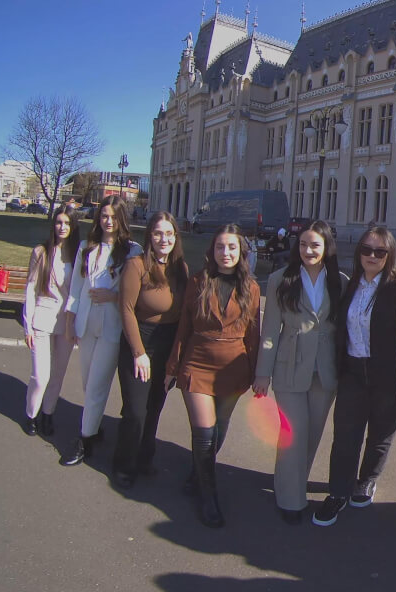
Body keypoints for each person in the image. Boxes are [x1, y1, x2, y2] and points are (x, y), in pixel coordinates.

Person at [165, 225, 261, 527]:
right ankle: (209, 497)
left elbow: (253, 335)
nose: (226, 253)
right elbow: (184, 327)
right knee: (204, 433)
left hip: (234, 368)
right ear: (212, 251)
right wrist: (173, 367)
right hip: (198, 363)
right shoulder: (198, 281)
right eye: (220, 247)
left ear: (241, 252)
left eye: (232, 247)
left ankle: (198, 472)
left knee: (219, 428)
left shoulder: (252, 287)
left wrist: (258, 374)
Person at [315, 227, 396, 527]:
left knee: (380, 434)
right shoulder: (349, 284)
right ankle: (337, 493)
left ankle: (367, 479)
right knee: (345, 435)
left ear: (390, 255)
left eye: (379, 252)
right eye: (366, 249)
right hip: (353, 371)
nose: (371, 256)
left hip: (387, 374)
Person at [254, 220, 344, 524]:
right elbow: (269, 332)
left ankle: (291, 482)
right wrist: (262, 373)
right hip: (289, 365)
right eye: (303, 244)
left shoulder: (340, 281)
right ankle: (291, 500)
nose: (308, 250)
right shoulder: (281, 278)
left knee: (313, 434)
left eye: (315, 245)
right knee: (294, 432)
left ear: (326, 248)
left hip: (325, 369)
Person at [61, 196, 143, 466]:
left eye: (113, 217)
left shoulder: (132, 251)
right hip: (86, 324)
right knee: (88, 383)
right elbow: (75, 289)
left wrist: (113, 296)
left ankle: (84, 440)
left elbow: (137, 293)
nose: (108, 222)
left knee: (97, 385)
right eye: (104, 216)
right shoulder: (87, 247)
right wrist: (70, 322)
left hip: (111, 327)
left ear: (122, 219)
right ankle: (94, 427)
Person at [110, 211, 189, 488]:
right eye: (157, 233)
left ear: (175, 237)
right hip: (139, 341)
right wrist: (138, 352)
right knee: (135, 409)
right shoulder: (137, 265)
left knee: (155, 406)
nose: (163, 239)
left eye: (169, 233)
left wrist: (176, 359)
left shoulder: (181, 269)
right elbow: (126, 309)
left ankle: (145, 457)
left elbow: (183, 317)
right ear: (149, 236)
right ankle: (124, 463)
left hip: (166, 343)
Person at [22, 207, 79, 437]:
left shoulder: (77, 254)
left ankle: (48, 413)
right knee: (41, 375)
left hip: (66, 323)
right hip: (42, 320)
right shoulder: (41, 252)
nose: (62, 227)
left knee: (57, 374)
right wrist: (27, 326)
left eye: (66, 223)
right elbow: (30, 289)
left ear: (72, 226)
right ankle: (31, 414)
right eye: (58, 222)